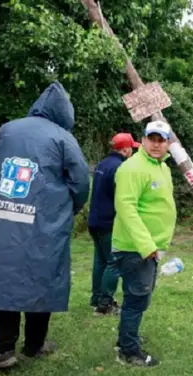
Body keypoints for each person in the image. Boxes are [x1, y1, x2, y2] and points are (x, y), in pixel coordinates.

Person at [0, 81, 90, 371]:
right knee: (42, 279)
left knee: (4, 280)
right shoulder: (64, 139)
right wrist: (68, 209)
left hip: (1, 219)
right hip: (44, 224)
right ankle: (34, 345)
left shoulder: (7, 130)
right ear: (66, 113)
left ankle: (3, 351)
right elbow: (80, 183)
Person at [111, 120, 177, 367]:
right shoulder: (132, 168)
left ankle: (127, 338)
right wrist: (146, 245)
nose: (157, 144)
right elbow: (126, 208)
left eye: (162, 140)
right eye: (152, 139)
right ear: (144, 139)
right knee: (136, 299)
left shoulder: (162, 167)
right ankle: (129, 351)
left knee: (140, 298)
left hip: (150, 249)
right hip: (135, 248)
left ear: (168, 143)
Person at [87, 132, 140, 316]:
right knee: (113, 263)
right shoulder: (120, 168)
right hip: (109, 222)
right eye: (132, 147)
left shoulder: (102, 164)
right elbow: (121, 198)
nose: (132, 151)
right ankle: (104, 305)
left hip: (94, 220)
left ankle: (96, 298)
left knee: (100, 261)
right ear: (125, 149)